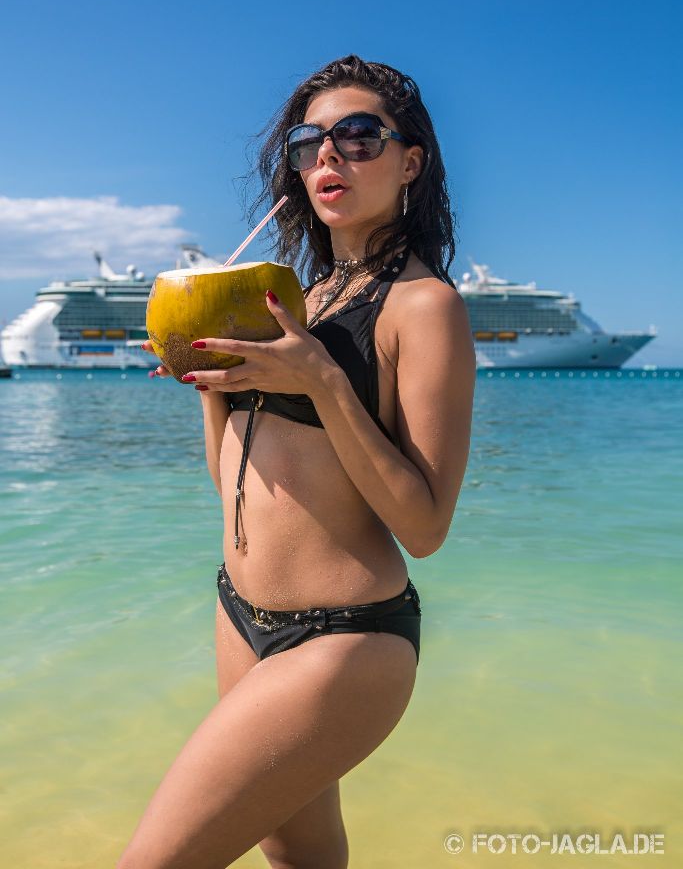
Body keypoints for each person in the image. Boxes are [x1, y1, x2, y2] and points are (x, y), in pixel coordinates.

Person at [118, 54, 476, 869]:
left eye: (358, 135)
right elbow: (232, 485)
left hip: (343, 636)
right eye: (308, 143)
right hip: (239, 613)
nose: (328, 155)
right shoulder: (298, 298)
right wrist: (205, 380)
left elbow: (424, 527)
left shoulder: (423, 307)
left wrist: (321, 381)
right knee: (300, 858)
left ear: (409, 162)